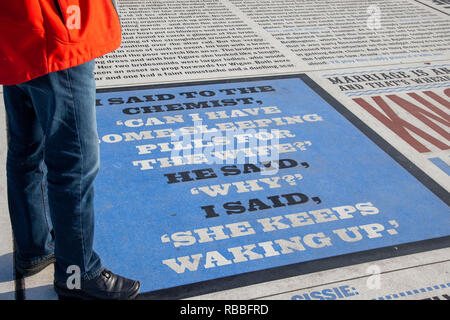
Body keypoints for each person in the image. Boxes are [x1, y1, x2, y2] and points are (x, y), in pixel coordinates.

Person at [0, 0, 140, 300]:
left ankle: (34, 247)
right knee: (75, 164)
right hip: (58, 28)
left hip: (14, 30)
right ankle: (77, 275)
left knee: (25, 150)